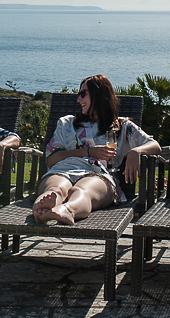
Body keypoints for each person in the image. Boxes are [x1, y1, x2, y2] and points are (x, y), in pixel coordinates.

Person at [33, 74, 161, 225]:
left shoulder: (122, 127)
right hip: (63, 169)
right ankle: (44, 208)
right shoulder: (66, 123)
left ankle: (67, 209)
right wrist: (88, 152)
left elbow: (155, 146)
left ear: (98, 95)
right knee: (56, 188)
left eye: (83, 94)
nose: (78, 100)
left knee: (81, 191)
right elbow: (51, 159)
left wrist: (136, 151)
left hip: (99, 174)